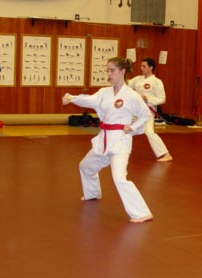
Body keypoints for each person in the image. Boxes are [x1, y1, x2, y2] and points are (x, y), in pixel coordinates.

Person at [62, 57, 153, 223]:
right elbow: (89, 100)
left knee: (119, 178)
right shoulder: (104, 92)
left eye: (112, 70)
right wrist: (72, 98)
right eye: (108, 70)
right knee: (86, 166)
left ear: (122, 71)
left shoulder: (132, 95)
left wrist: (132, 128)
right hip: (104, 139)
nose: (108, 74)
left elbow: (145, 114)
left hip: (120, 141)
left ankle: (141, 212)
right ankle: (93, 193)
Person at [127, 58, 173, 162]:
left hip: (147, 111)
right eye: (141, 66)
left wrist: (147, 98)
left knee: (149, 132)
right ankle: (116, 151)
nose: (141, 68)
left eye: (144, 66)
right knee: (127, 130)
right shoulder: (138, 79)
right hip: (136, 111)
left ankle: (166, 154)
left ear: (151, 67)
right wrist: (122, 71)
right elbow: (126, 85)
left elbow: (162, 99)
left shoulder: (157, 82)